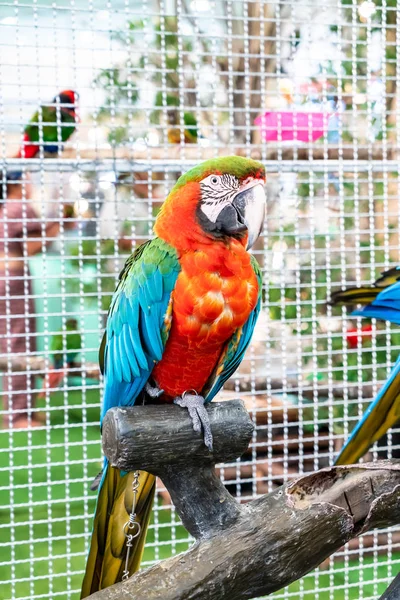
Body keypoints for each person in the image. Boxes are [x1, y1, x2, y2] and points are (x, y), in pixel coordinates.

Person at [0, 172, 69, 428]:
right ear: (16, 183)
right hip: (12, 282)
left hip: (7, 281)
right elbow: (41, 231)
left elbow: (31, 245)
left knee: (16, 344)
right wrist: (62, 217)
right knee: (19, 345)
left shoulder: (5, 211)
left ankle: (21, 411)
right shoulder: (16, 207)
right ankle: (18, 416)